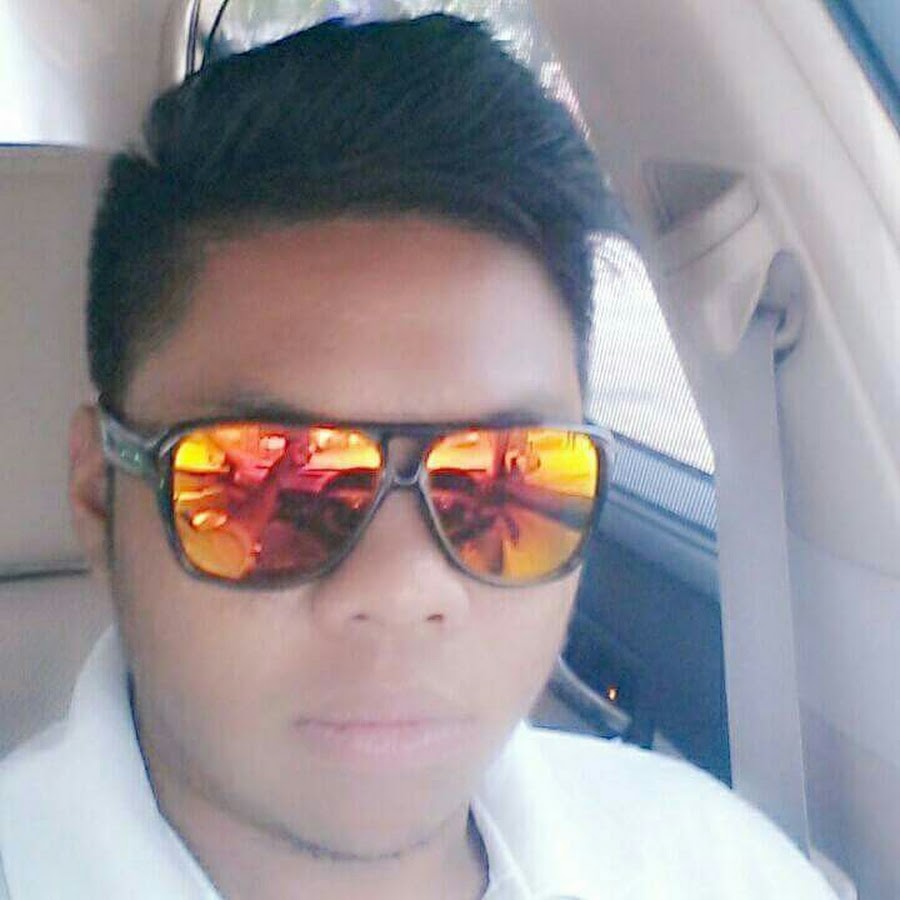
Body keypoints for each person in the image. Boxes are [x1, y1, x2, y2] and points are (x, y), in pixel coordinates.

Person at [0, 15, 837, 900]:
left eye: (505, 478)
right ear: (98, 497)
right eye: (269, 482)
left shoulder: (715, 865)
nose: (404, 589)